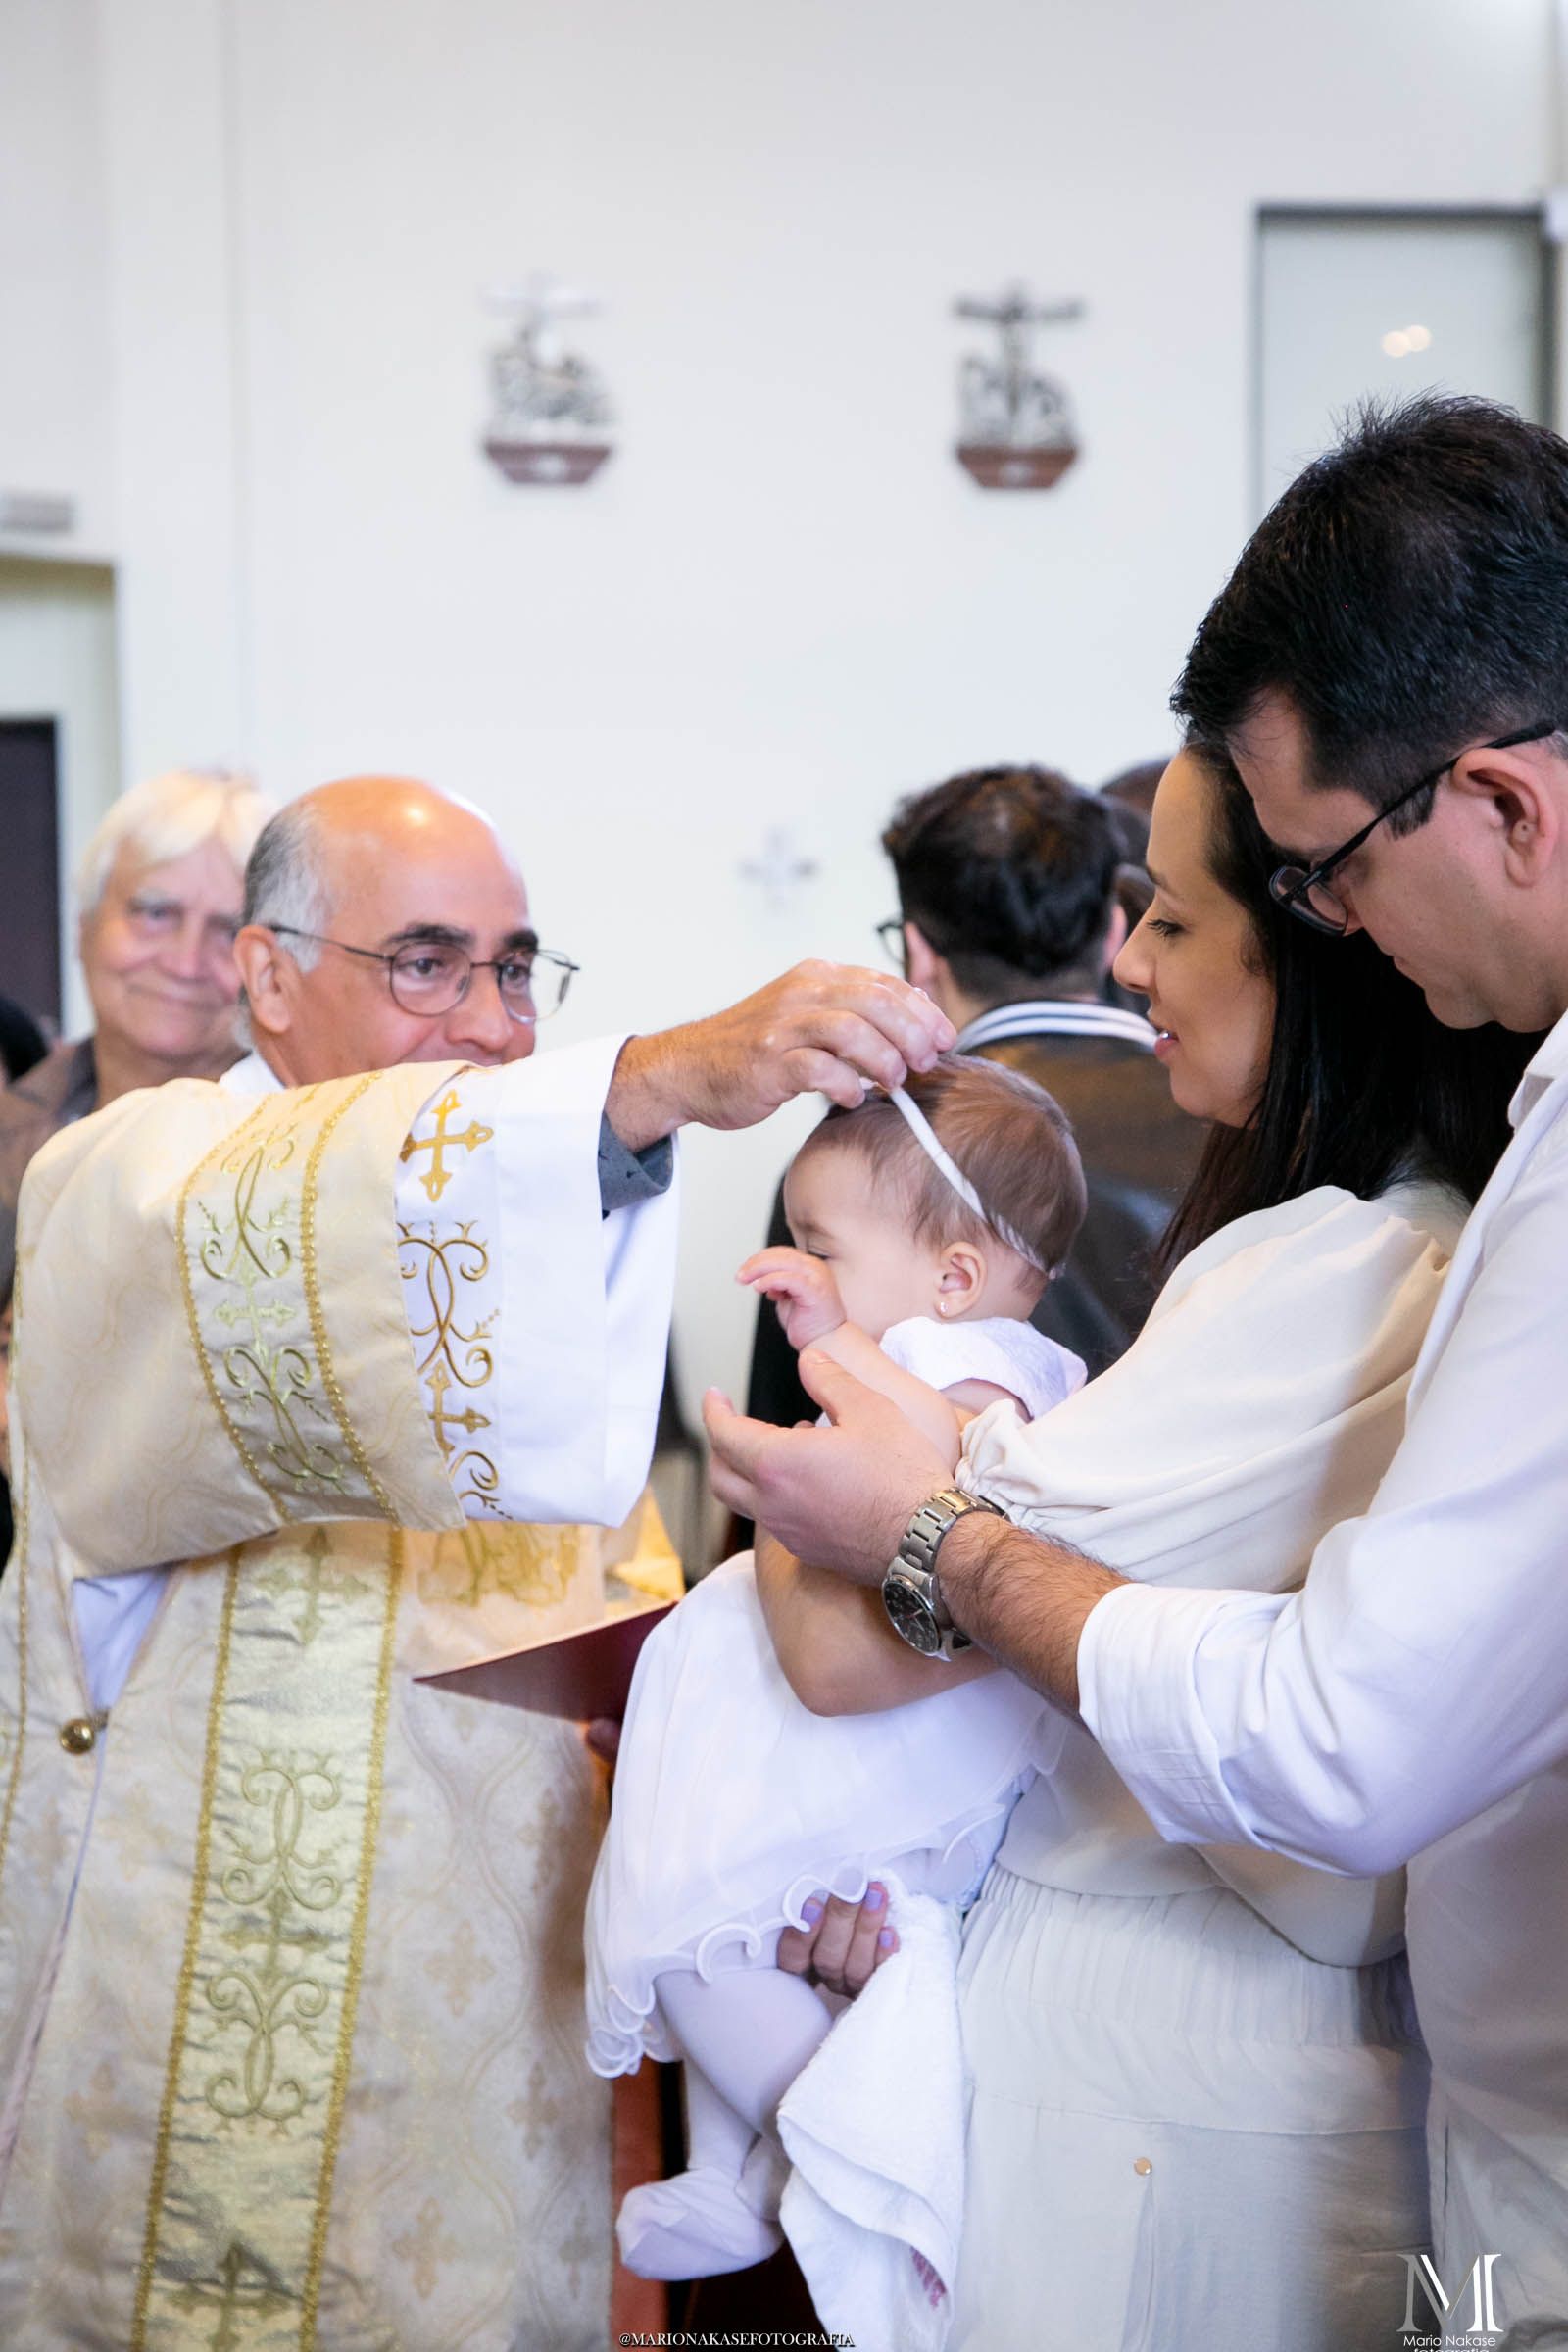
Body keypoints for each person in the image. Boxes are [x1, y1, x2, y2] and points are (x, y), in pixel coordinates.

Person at [706, 396, 1568, 2334]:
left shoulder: (1355, 1257)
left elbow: (1329, 1741)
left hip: (1208, 2081)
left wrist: (917, 1523)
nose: (1138, 971)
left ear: (1497, 810)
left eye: (1244, 896)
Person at [0, 773, 953, 2352]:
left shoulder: (529, 1245)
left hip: (480, 2047)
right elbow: (297, 1227)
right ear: (268, 973)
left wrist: (762, 1823)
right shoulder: (126, 1176)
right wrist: (651, 1079)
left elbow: (633, 1614)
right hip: (180, 2017)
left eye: (515, 970)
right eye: (429, 963)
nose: (497, 1022)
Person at [586, 1057, 1086, 2288]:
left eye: (825, 1247)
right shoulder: (911, 1346)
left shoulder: (984, 1370)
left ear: (955, 1276)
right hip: (827, 1722)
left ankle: (818, 2146)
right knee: (713, 1936)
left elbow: (930, 1457)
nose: (800, 1272)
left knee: (696, 1919)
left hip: (887, 1749)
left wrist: (825, 1342)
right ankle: (739, 2160)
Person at [741, 768, 1198, 1457]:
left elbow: (789, 1446)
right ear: (1113, 935)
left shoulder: (863, 1156)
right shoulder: (1239, 1124)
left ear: (919, 952)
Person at [0, 770, 269, 1578]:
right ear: (85, 928)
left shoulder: (305, 1152)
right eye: (153, 912)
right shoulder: (8, 1128)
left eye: (227, 930)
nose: (185, 960)